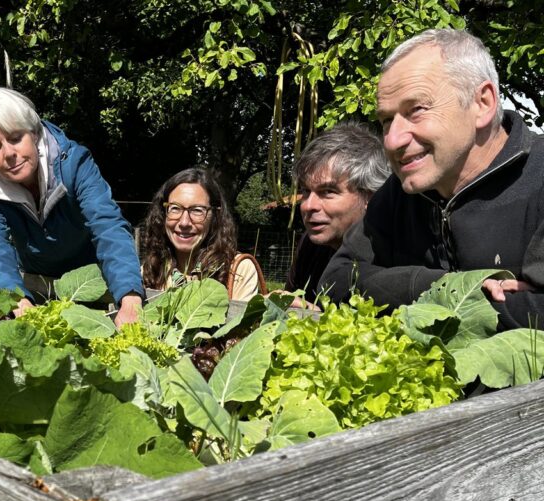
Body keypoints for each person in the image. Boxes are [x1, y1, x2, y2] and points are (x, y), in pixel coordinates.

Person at [318, 28, 544, 330]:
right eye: (386, 120)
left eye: (417, 110)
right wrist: (446, 288)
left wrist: (394, 295)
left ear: (483, 103)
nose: (392, 140)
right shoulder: (399, 194)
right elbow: (335, 283)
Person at [0, 87, 144, 327]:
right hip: (35, 283)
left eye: (15, 138)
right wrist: (17, 300)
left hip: (92, 279)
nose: (9, 154)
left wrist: (130, 296)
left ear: (33, 133)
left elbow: (107, 226)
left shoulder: (74, 165)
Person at [284, 122, 390, 304]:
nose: (309, 206)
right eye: (306, 191)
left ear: (369, 198)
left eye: (328, 192)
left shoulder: (391, 255)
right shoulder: (311, 245)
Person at [141, 167, 265, 301]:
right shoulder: (151, 269)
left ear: (215, 216)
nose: (184, 222)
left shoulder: (238, 271)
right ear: (162, 213)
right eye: (175, 208)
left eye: (197, 210)